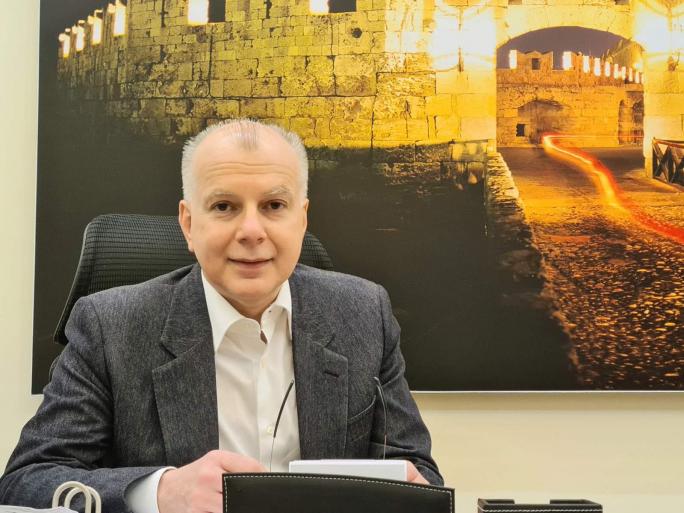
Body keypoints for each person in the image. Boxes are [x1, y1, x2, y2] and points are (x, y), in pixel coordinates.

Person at [0, 119, 442, 513]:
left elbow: (417, 471)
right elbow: (26, 481)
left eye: (274, 206)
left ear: (302, 219)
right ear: (189, 223)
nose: (251, 231)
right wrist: (161, 492)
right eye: (224, 206)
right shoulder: (108, 326)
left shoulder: (364, 312)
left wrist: (407, 491)